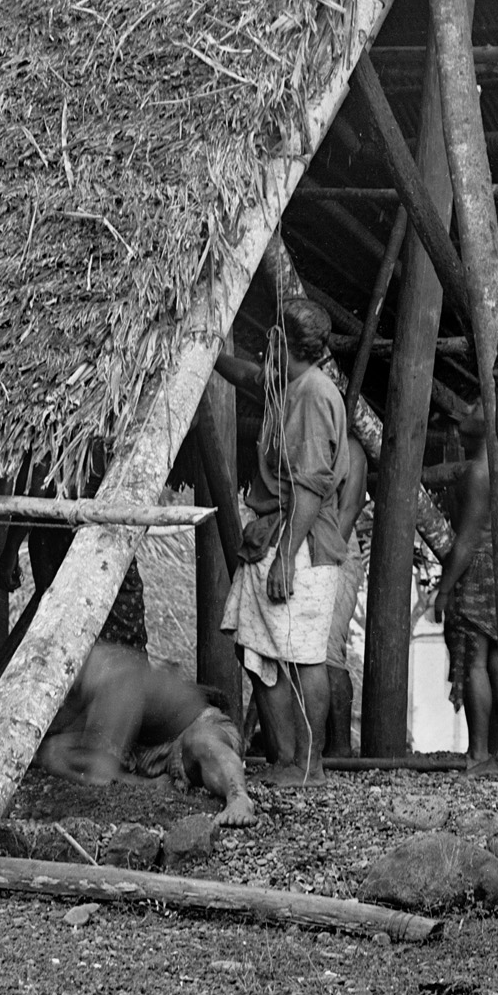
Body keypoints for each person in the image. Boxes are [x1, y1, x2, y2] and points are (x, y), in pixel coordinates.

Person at [223, 300, 367, 787]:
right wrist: (207, 355)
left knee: (303, 655)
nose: (266, 348)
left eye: (272, 340)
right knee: (263, 649)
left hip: (298, 540)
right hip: (280, 534)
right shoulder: (289, 385)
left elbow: (310, 486)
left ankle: (309, 763)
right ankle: (287, 758)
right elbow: (249, 376)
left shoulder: (311, 395)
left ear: (286, 344)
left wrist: (286, 555)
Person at [36, 639, 258, 827]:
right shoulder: (86, 681)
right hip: (145, 756)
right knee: (55, 751)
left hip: (196, 731)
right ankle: (148, 785)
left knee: (202, 741)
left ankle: (238, 796)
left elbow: (100, 772)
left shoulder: (114, 678)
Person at [433, 409, 498, 759]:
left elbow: (468, 540)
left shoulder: (481, 471)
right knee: (492, 659)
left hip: (478, 568)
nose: (471, 410)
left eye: (480, 407)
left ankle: (478, 752)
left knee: (476, 661)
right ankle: (493, 748)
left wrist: (444, 589)